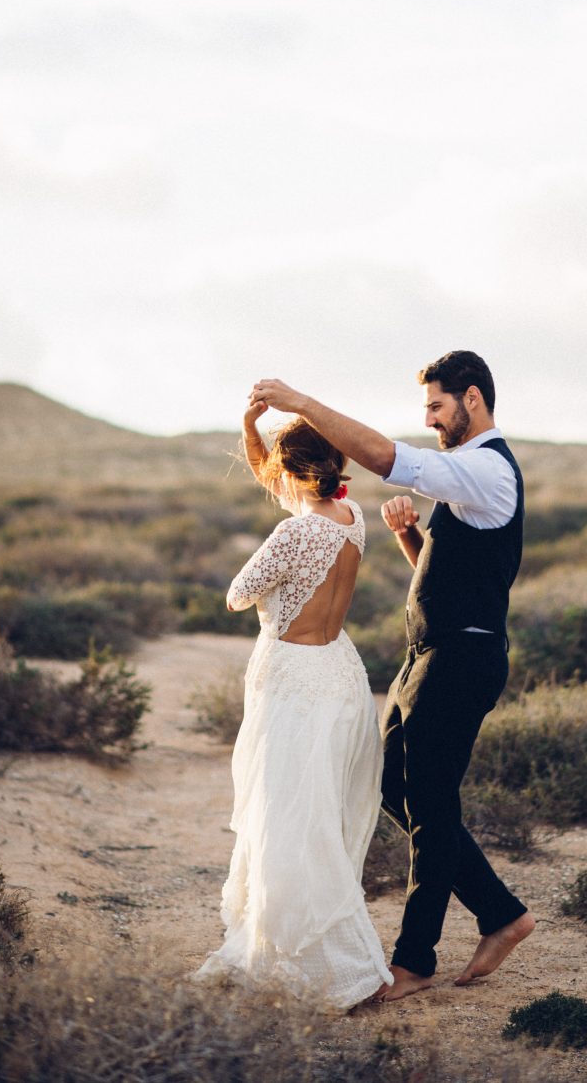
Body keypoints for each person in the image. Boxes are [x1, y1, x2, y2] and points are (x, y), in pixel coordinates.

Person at [252, 351, 535, 1003]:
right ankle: (501, 914)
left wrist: (300, 402)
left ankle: (414, 961)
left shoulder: (486, 468)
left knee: (433, 808)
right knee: (395, 789)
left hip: (460, 661)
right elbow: (459, 575)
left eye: (437, 406)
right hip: (429, 656)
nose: (431, 419)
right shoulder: (470, 478)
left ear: (472, 397)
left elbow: (384, 457)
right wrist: (413, 542)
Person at [192, 400, 392, 1010]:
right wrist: (251, 432)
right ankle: (307, 949)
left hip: (294, 684)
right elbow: (279, 481)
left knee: (285, 820)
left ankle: (326, 966)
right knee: (314, 817)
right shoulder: (352, 515)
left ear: (291, 471)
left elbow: (235, 596)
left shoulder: (293, 531)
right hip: (339, 674)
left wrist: (265, 573)